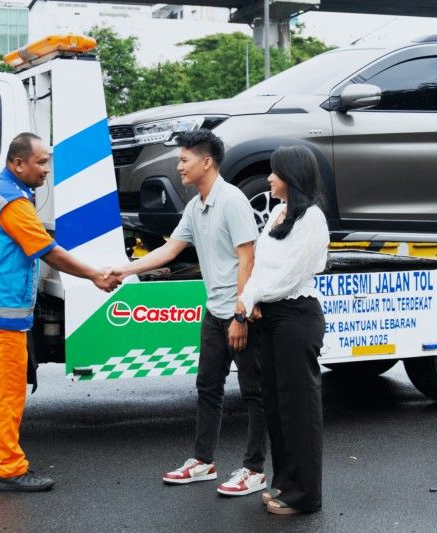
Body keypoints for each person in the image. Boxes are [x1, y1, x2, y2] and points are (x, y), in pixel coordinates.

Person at [108, 129, 268, 497]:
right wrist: (124, 271)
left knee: (254, 393)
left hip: (240, 313)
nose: (179, 166)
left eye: (184, 159)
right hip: (214, 312)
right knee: (207, 388)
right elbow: (170, 251)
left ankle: (254, 469)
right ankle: (203, 461)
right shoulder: (196, 206)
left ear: (206, 162)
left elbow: (249, 259)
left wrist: (240, 316)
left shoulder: (233, 201)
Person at [0, 132, 120, 492]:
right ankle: (11, 470)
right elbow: (48, 251)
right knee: (5, 393)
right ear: (18, 164)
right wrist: (95, 275)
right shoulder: (14, 203)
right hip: (0, 313)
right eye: (41, 162)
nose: (47, 169)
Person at [236, 145, 330, 514]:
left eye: (275, 172)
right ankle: (286, 484)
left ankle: (306, 496)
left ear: (291, 177)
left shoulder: (313, 220)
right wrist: (251, 297)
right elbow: (261, 265)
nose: (270, 178)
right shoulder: (278, 211)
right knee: (276, 407)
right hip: (270, 318)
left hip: (296, 318)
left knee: (299, 411)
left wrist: (249, 298)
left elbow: (287, 274)